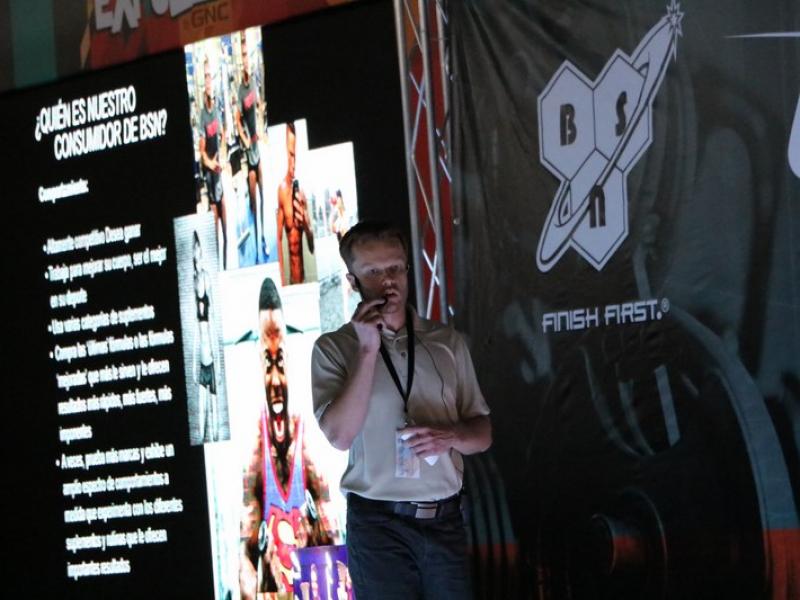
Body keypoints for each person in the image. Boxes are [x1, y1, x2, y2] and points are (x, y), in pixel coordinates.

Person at [311, 221, 492, 599]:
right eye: (373, 272)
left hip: (444, 520)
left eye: (395, 268)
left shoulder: (445, 341)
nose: (388, 281)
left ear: (408, 269)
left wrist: (450, 437)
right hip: (378, 525)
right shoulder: (334, 348)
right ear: (353, 281)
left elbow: (482, 435)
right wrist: (366, 349)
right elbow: (340, 436)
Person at [240, 277, 338, 599]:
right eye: (268, 362)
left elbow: (332, 533)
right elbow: (245, 553)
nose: (275, 379)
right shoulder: (255, 450)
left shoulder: (307, 438)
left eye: (279, 361)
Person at [235, 32, 267, 262]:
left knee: (264, 197)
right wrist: (245, 138)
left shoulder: (255, 81)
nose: (246, 60)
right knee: (254, 201)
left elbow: (259, 106)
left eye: (248, 55)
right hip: (249, 152)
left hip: (259, 145)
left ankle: (263, 238)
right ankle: (255, 246)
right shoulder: (240, 90)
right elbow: (238, 120)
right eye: (243, 56)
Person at [198, 56, 228, 268]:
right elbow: (202, 153)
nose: (209, 82)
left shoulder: (217, 109)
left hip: (219, 173)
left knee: (226, 230)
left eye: (211, 77)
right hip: (210, 175)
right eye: (206, 77)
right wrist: (212, 164)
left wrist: (223, 156)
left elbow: (223, 135)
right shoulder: (202, 116)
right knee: (215, 230)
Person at [277, 122, 314, 284]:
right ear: (286, 154)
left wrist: (306, 223)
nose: (293, 163)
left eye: (295, 157)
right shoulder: (281, 191)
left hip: (303, 279)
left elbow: (311, 248)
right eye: (290, 156)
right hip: (291, 281)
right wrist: (281, 280)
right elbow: (278, 239)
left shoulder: (302, 195)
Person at [192, 231, 219, 443]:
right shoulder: (194, 280)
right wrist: (194, 365)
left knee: (214, 409)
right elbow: (195, 325)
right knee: (202, 412)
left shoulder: (206, 278)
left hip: (210, 354)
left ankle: (215, 441)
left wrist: (217, 361)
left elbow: (213, 317)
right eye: (194, 252)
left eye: (198, 251)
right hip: (201, 357)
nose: (197, 255)